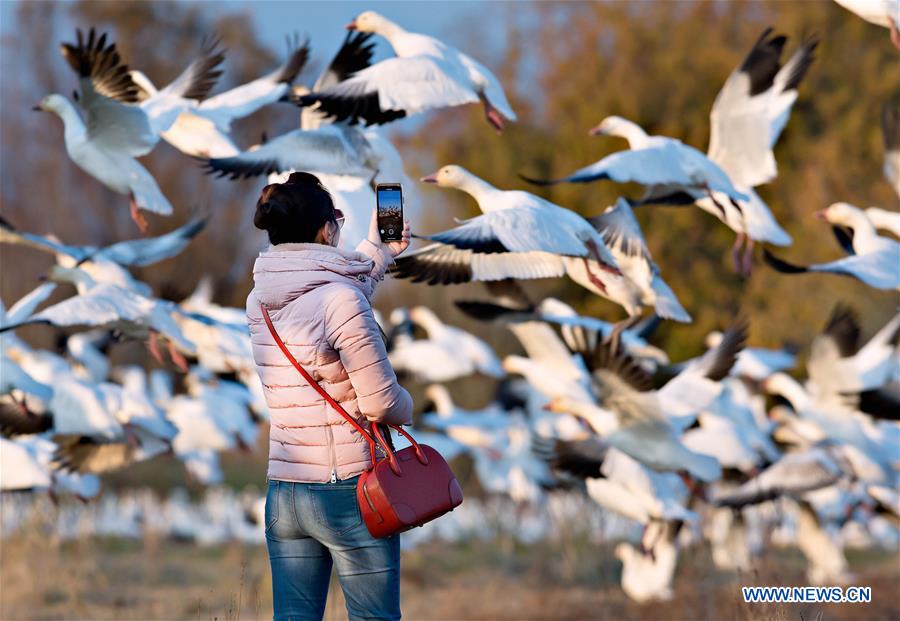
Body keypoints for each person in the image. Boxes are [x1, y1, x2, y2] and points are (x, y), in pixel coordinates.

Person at [246, 172, 413, 621]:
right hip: (348, 491)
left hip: (286, 492)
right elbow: (380, 403)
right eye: (337, 219)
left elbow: (325, 296)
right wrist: (410, 404)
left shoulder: (258, 300)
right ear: (325, 230)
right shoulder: (341, 300)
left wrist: (377, 253)